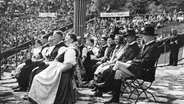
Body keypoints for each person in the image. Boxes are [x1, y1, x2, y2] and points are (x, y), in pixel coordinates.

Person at [100, 26, 160, 103]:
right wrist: (133, 61)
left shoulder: (154, 47)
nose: (143, 37)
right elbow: (138, 57)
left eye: (144, 35)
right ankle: (115, 99)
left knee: (118, 64)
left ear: (149, 36)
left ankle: (106, 85)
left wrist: (132, 62)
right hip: (137, 69)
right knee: (118, 73)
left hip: (145, 72)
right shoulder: (145, 46)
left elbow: (147, 62)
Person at [28, 33, 78, 104]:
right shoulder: (65, 49)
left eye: (66, 38)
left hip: (62, 73)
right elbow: (56, 61)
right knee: (37, 76)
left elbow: (68, 65)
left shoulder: (71, 50)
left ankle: (41, 99)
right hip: (56, 68)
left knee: (38, 77)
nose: (64, 39)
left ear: (72, 40)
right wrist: (47, 63)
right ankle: (38, 98)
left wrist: (57, 71)